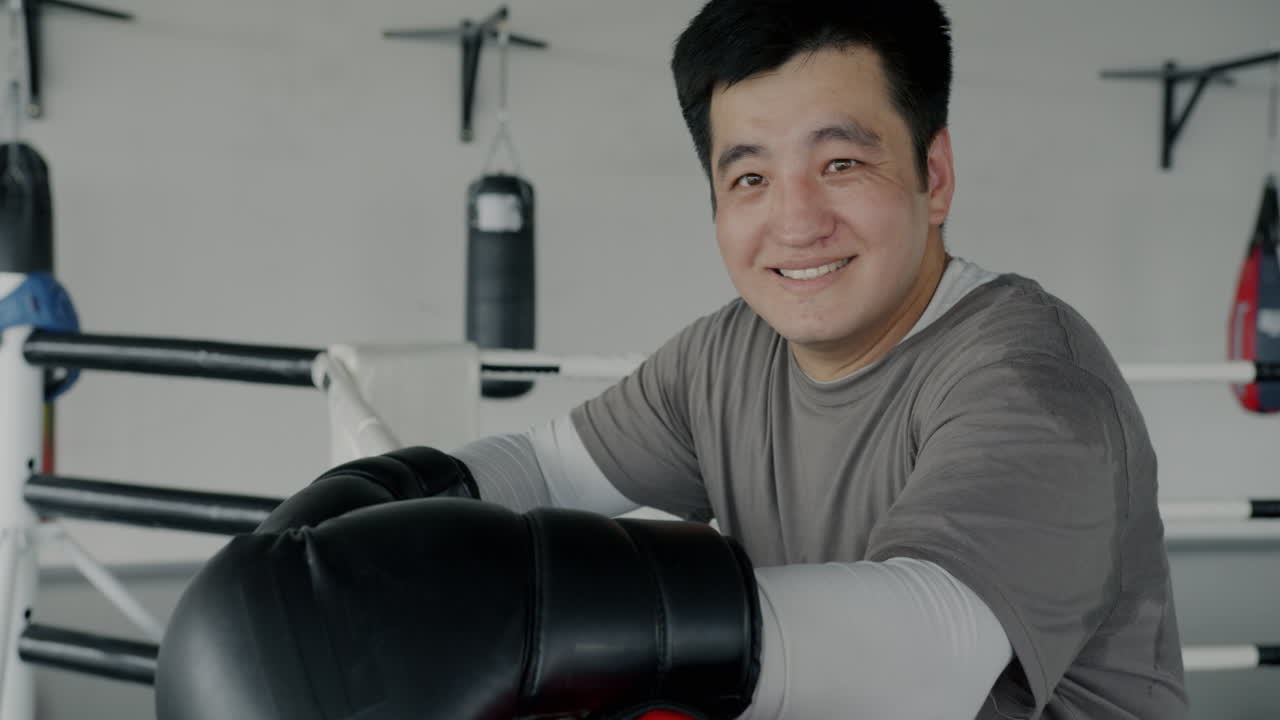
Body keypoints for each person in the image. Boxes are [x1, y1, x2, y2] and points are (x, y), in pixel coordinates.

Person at [155, 2, 1188, 719]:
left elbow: (929, 659)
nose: (796, 222)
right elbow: (547, 466)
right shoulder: (730, 353)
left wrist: (532, 615)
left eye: (840, 162)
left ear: (934, 174)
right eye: (749, 179)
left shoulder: (1033, 382)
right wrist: (374, 502)